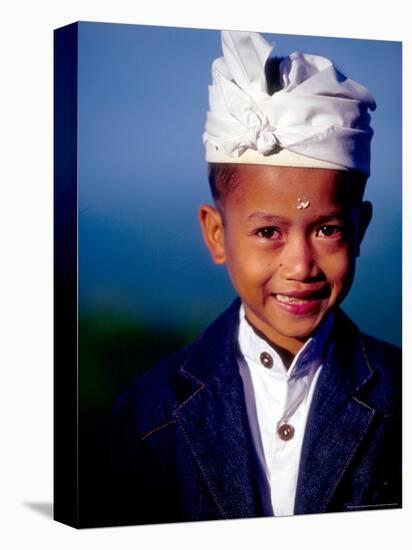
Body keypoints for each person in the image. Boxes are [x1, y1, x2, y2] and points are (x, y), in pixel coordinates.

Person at [111, 30, 401, 525]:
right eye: (268, 231)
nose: (300, 266)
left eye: (328, 229)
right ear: (217, 234)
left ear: (361, 230)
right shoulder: (148, 414)